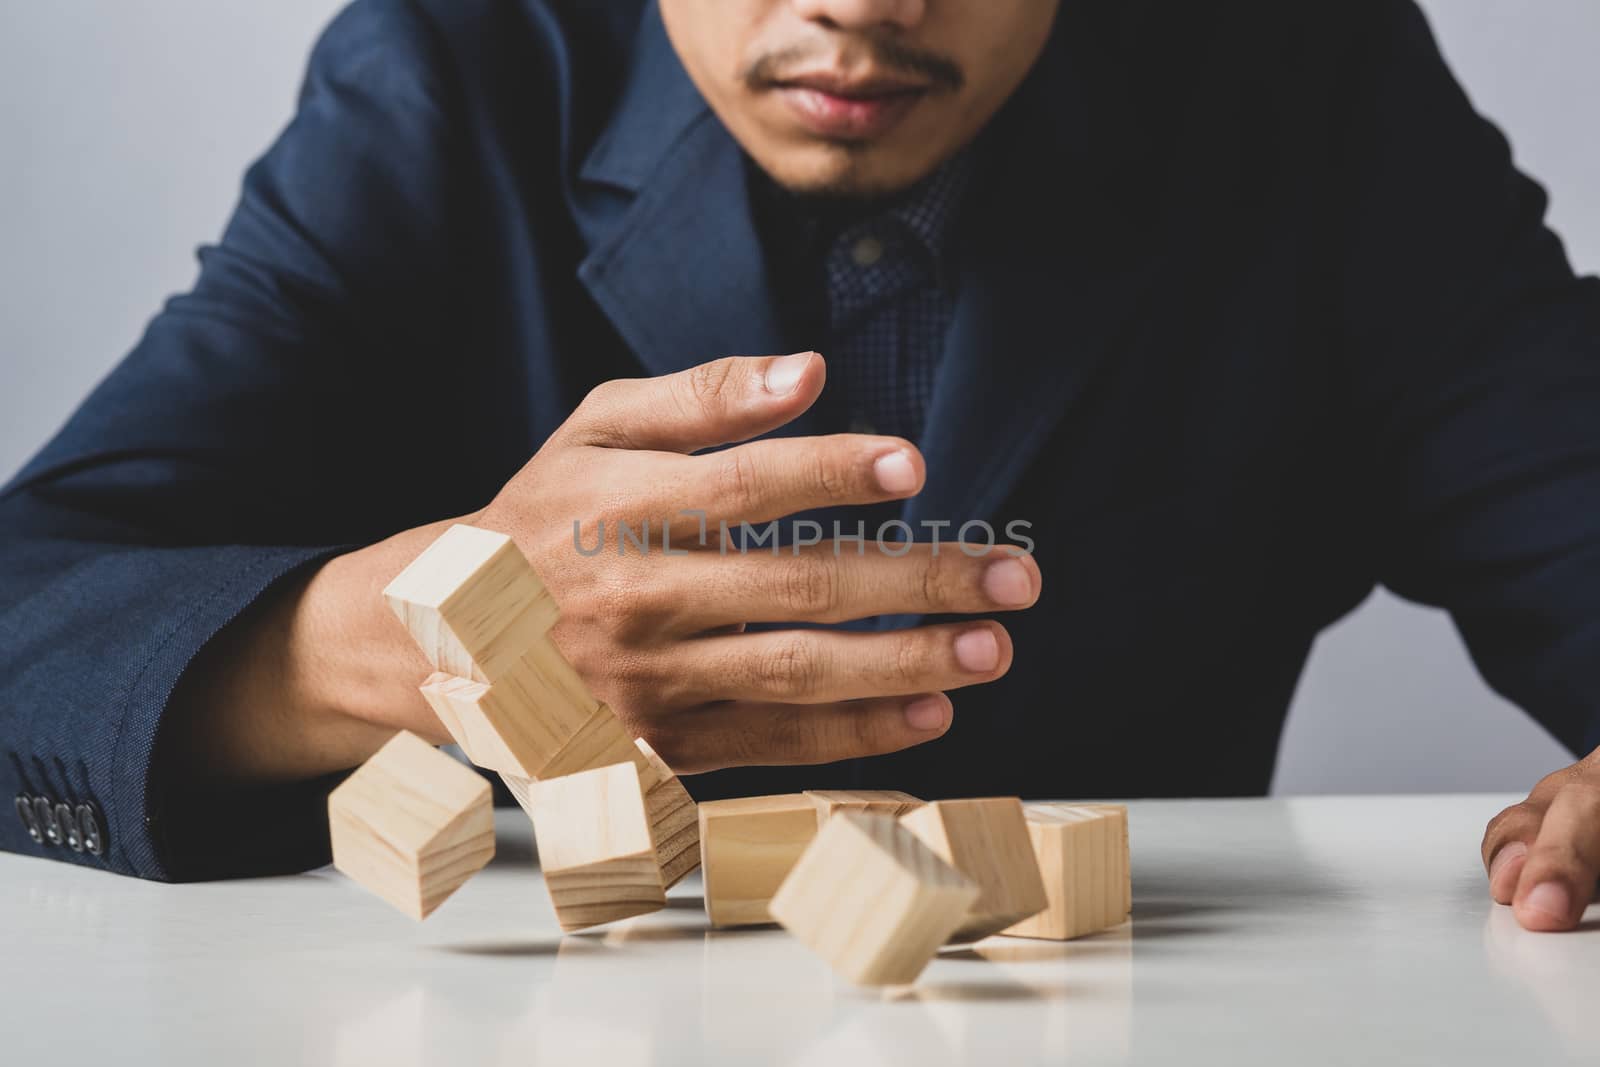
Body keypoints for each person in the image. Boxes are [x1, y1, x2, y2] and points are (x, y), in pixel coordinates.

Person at [1, 0, 1597, 933]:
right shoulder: (451, 71)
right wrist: (403, 644)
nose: (860, 1)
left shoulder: (1307, 73)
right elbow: (31, 622)